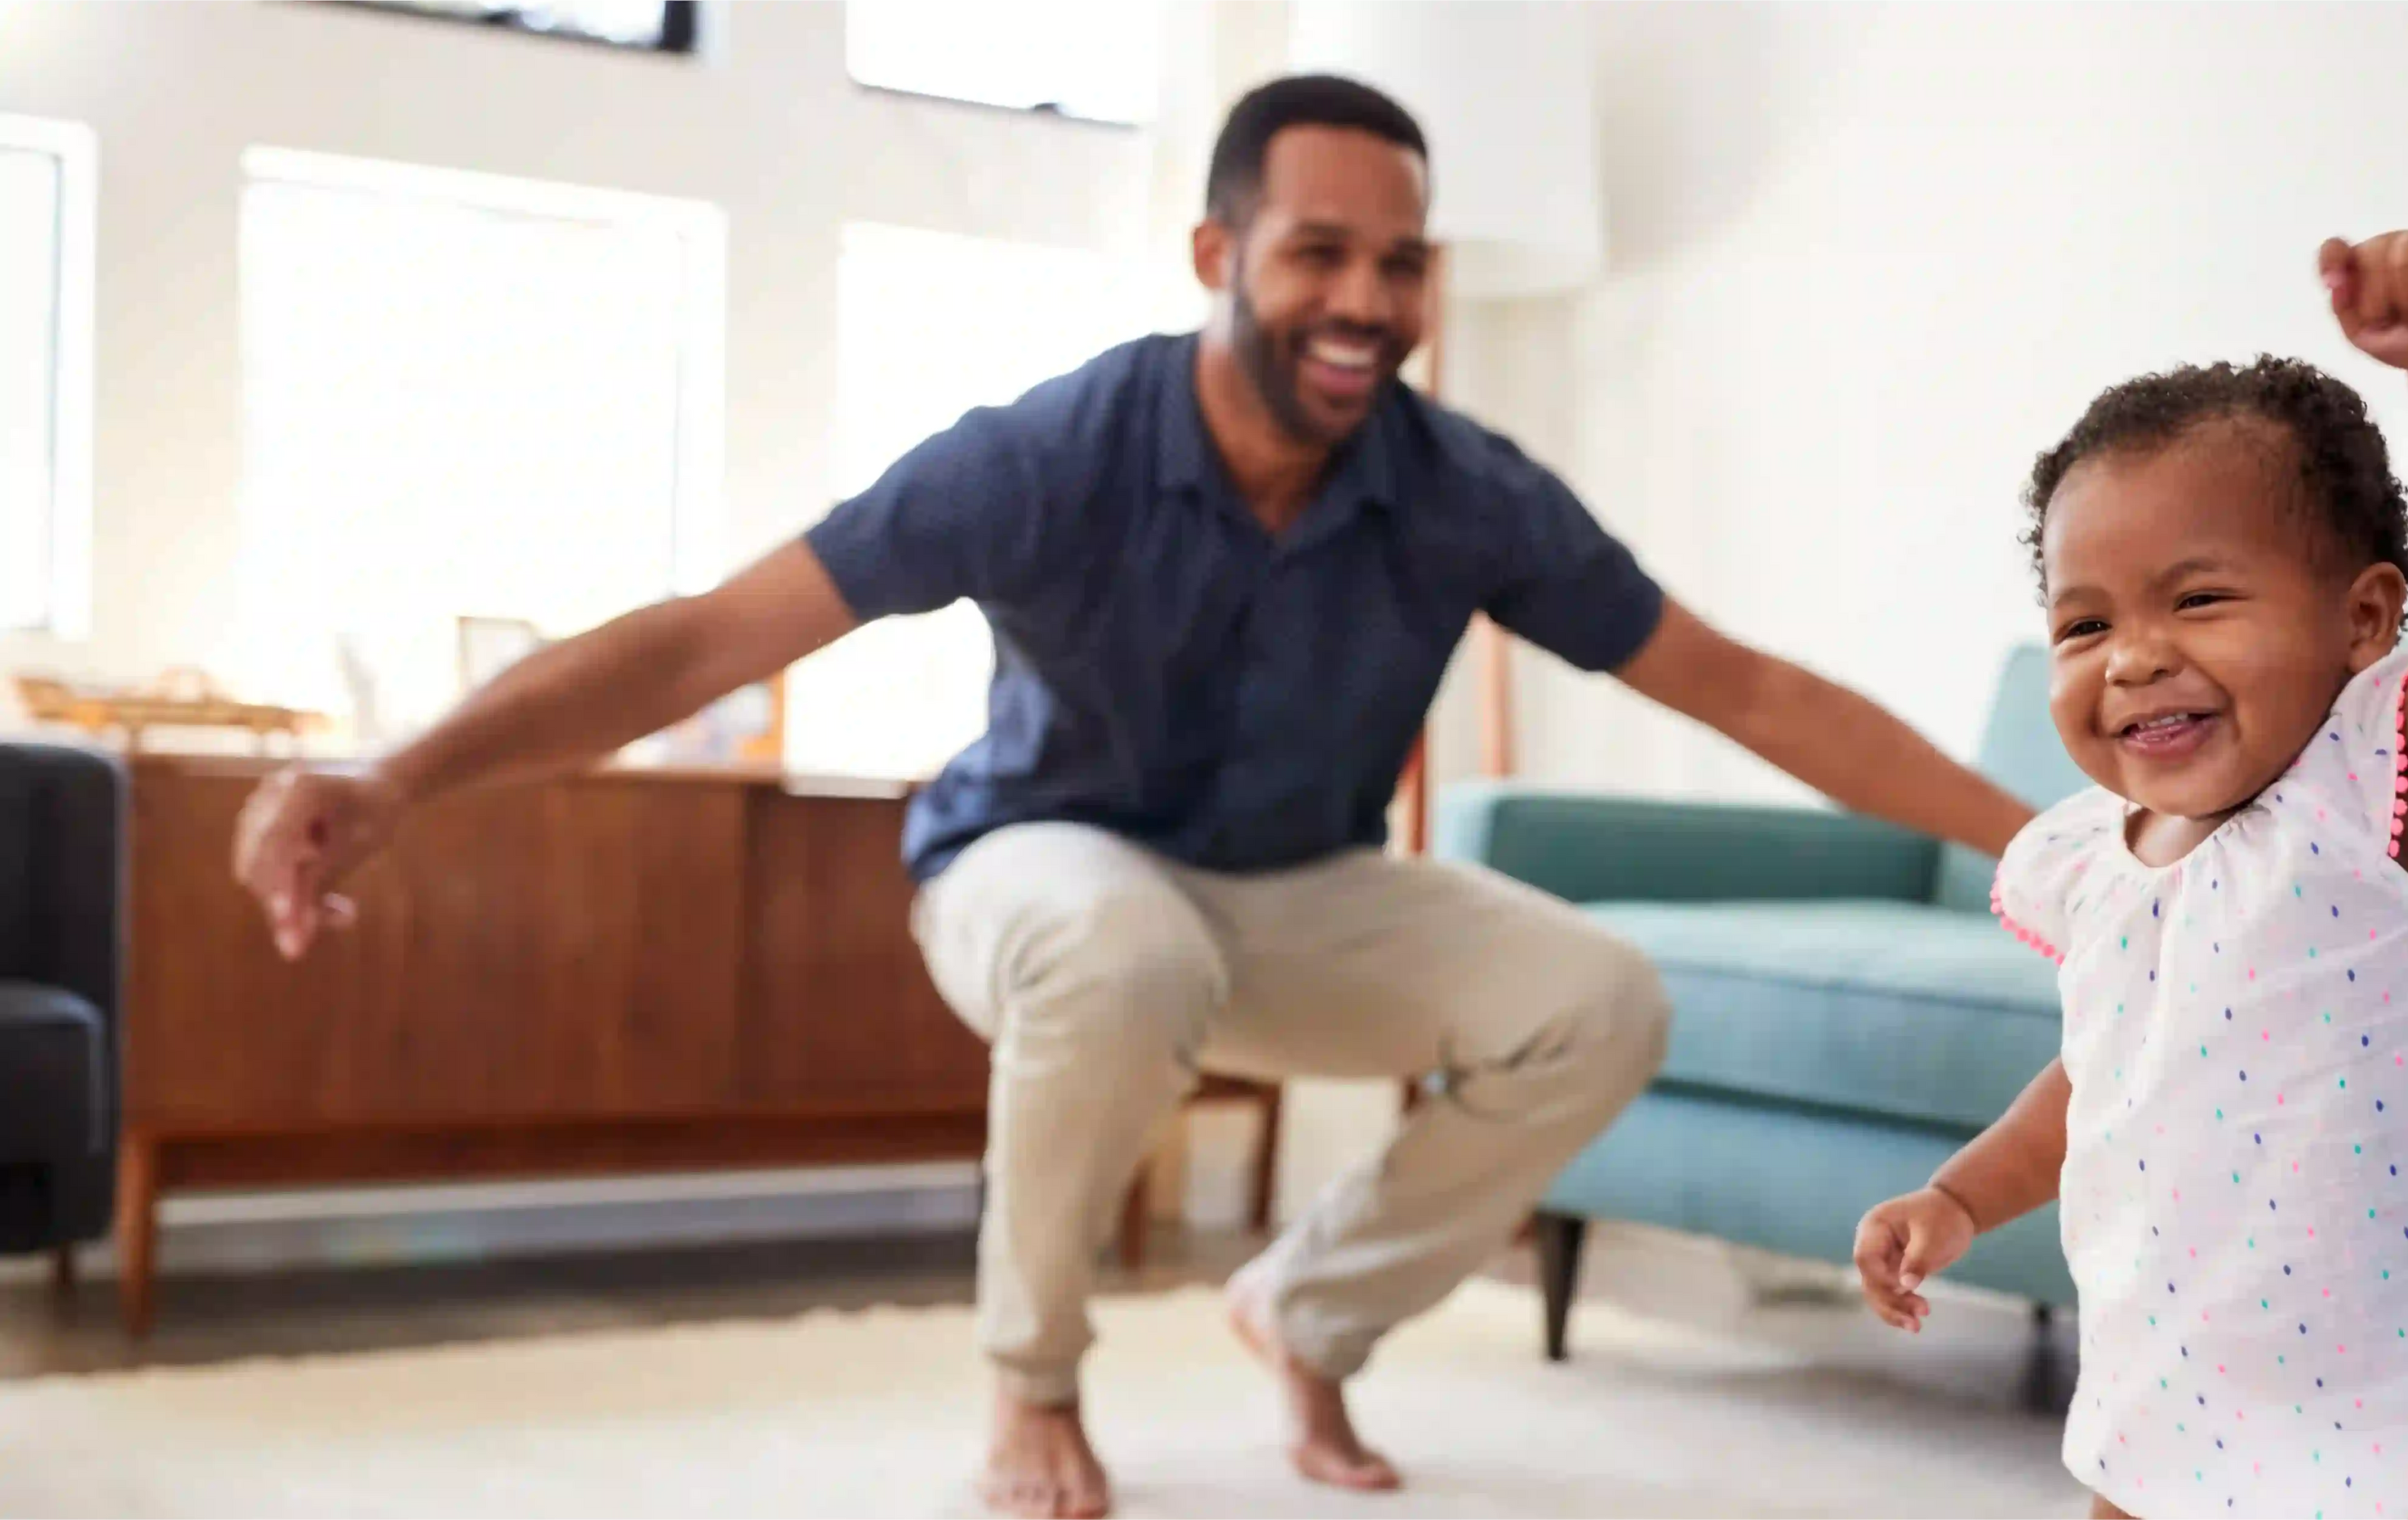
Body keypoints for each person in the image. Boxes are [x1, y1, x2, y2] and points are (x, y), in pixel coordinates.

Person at [231, 74, 2033, 1520]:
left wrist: (2034, 840)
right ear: (1214, 247)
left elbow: (1742, 685)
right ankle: (1031, 1379)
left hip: (1298, 888)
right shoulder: (1049, 453)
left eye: (1403, 265)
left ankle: (1306, 1310)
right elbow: (709, 636)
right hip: (1035, 873)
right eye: (1321, 251)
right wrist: (398, 779)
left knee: (1602, 996)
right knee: (1113, 943)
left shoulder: (1462, 486)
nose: (1366, 303)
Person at [1851, 231, 2408, 1520]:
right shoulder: (2098, 862)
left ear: (2365, 621)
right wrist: (1958, 1194)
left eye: (2198, 600)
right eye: (2085, 622)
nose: (2133, 657)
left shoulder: (2387, 785)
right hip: (2186, 1386)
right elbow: (2107, 1075)